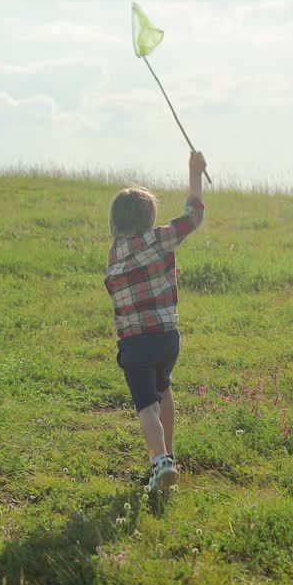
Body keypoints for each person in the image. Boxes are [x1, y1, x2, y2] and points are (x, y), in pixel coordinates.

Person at [104, 152, 207, 491]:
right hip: (166, 338)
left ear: (115, 220)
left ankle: (160, 463)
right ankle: (170, 455)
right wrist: (195, 173)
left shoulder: (115, 251)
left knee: (146, 404)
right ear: (148, 218)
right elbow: (193, 216)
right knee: (163, 389)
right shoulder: (158, 239)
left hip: (135, 343)